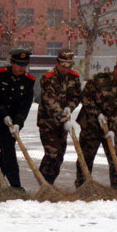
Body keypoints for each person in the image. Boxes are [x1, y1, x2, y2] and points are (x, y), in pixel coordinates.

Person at [75, 56, 117, 189]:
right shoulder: (99, 80)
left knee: (116, 157)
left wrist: (113, 129)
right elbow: (85, 98)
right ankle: (82, 185)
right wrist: (97, 114)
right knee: (86, 157)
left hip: (110, 126)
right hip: (91, 124)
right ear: (115, 70)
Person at [0, 49, 35, 190]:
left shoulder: (28, 80)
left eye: (25, 65)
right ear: (11, 63)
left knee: (6, 148)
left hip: (14, 121)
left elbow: (25, 105)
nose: (22, 68)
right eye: (19, 64)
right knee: (9, 148)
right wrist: (4, 115)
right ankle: (16, 185)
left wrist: (18, 123)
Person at [36, 49, 82, 185]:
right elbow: (50, 101)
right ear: (57, 63)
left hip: (63, 122)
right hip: (48, 121)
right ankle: (44, 182)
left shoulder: (74, 77)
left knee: (60, 155)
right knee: (52, 154)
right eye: (63, 66)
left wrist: (69, 108)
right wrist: (63, 118)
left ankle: (49, 182)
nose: (66, 69)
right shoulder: (47, 78)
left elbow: (76, 97)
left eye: (69, 66)